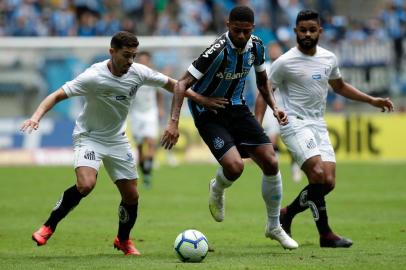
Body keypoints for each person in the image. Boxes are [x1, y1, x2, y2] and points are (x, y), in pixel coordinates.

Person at [21, 31, 227, 256]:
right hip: (89, 136)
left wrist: (200, 99)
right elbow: (57, 95)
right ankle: (49, 226)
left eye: (134, 56)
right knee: (86, 185)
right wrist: (36, 116)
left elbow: (173, 84)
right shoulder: (93, 76)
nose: (130, 61)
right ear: (112, 52)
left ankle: (123, 240)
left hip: (116, 140)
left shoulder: (138, 72)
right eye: (126, 56)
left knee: (132, 196)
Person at [161, 6, 298, 250]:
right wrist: (173, 121)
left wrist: (275, 107)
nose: (242, 36)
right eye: (237, 31)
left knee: (271, 161)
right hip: (208, 113)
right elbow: (181, 83)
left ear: (252, 29)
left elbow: (263, 83)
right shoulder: (215, 51)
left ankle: (274, 226)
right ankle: (217, 187)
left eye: (246, 31)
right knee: (235, 168)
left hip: (237, 108)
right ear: (228, 25)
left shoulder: (256, 46)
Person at [255, 9, 394, 248]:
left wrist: (371, 100)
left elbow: (339, 86)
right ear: (295, 32)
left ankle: (286, 214)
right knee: (317, 174)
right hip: (294, 122)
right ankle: (326, 234)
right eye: (302, 30)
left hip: (318, 123)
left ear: (320, 31)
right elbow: (264, 90)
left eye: (312, 29)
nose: (307, 34)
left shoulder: (328, 58)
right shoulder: (285, 62)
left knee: (327, 182)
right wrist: (258, 126)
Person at [260, 41, 302, 182]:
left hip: (286, 107)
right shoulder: (264, 67)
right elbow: (259, 89)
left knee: (292, 140)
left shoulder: (286, 66)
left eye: (275, 49)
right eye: (271, 50)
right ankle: (274, 169)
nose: (273, 52)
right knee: (272, 138)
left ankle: (295, 166)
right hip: (269, 107)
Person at [128, 51, 164, 187]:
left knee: (151, 142)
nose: (143, 62)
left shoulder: (154, 75)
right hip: (136, 114)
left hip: (150, 113)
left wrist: (160, 108)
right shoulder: (131, 76)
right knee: (139, 148)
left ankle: (148, 169)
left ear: (149, 61)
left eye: (145, 60)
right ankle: (145, 173)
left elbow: (159, 93)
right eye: (141, 60)